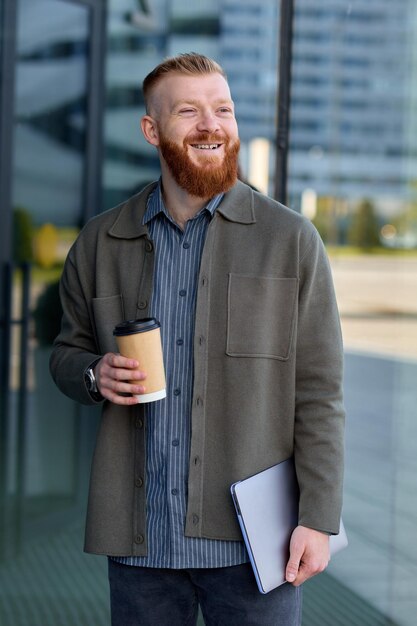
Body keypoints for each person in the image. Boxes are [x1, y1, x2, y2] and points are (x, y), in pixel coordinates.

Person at [50, 52, 345, 626]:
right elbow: (66, 352)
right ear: (151, 130)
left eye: (224, 109)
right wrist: (93, 373)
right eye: (189, 111)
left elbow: (320, 393)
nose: (212, 124)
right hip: (142, 542)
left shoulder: (292, 240)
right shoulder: (100, 242)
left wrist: (319, 516)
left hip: (258, 544)